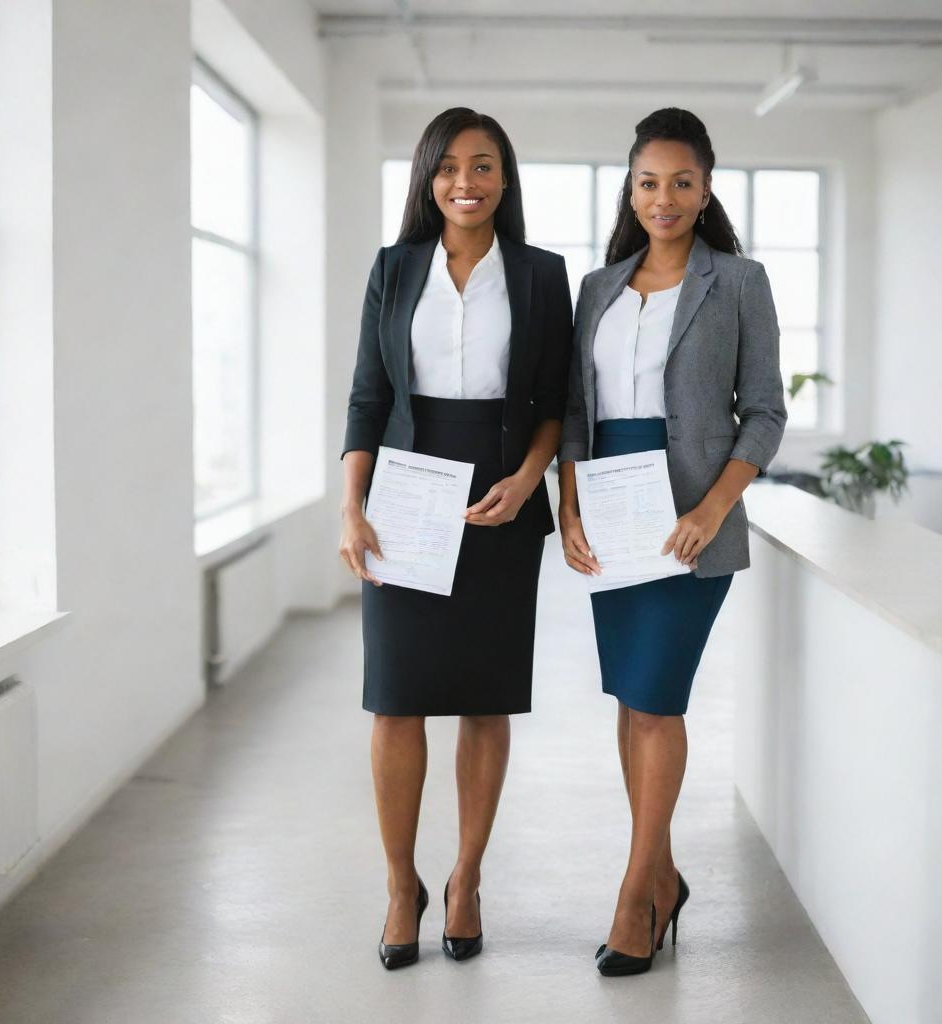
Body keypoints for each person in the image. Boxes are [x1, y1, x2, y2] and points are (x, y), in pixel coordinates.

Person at [339, 107, 572, 970]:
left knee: (486, 697)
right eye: (447, 167)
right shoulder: (395, 269)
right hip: (405, 497)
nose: (464, 183)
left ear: (505, 179)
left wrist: (528, 479)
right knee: (395, 696)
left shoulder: (544, 276)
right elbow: (368, 392)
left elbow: (555, 402)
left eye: (482, 166)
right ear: (427, 178)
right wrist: (350, 505)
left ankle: (467, 878)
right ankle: (403, 886)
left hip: (503, 501)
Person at [557, 107, 787, 977]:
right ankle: (663, 875)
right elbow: (576, 412)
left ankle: (635, 895)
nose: (664, 197)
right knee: (632, 699)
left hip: (692, 516)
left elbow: (762, 412)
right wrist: (568, 508)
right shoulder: (598, 288)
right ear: (631, 186)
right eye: (648, 181)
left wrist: (715, 510)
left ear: (705, 189)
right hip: (611, 510)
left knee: (659, 700)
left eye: (681, 182)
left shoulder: (739, 282)